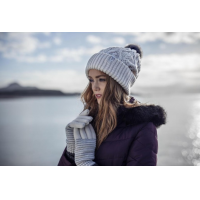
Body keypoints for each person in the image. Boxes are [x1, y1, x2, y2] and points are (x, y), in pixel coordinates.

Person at [58, 44, 167, 166]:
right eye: (91, 80)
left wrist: (86, 164)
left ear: (118, 83)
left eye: (102, 79)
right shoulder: (90, 119)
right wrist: (70, 154)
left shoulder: (143, 128)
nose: (95, 87)